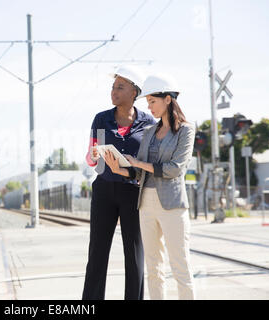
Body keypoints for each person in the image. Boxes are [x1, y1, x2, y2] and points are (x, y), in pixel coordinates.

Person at [104, 73, 196, 300]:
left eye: (153, 102)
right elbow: (139, 171)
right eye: (148, 103)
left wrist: (138, 163)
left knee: (180, 267)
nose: (150, 107)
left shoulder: (186, 130)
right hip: (146, 204)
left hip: (172, 205)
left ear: (168, 99)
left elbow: (175, 169)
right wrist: (121, 169)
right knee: (153, 269)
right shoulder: (149, 132)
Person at [82, 66, 156, 300]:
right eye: (113, 87)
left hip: (133, 192)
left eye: (120, 87)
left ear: (134, 92)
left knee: (134, 253)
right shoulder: (101, 118)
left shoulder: (149, 123)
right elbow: (91, 157)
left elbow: (148, 161)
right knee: (97, 252)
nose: (114, 91)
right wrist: (93, 156)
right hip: (104, 189)